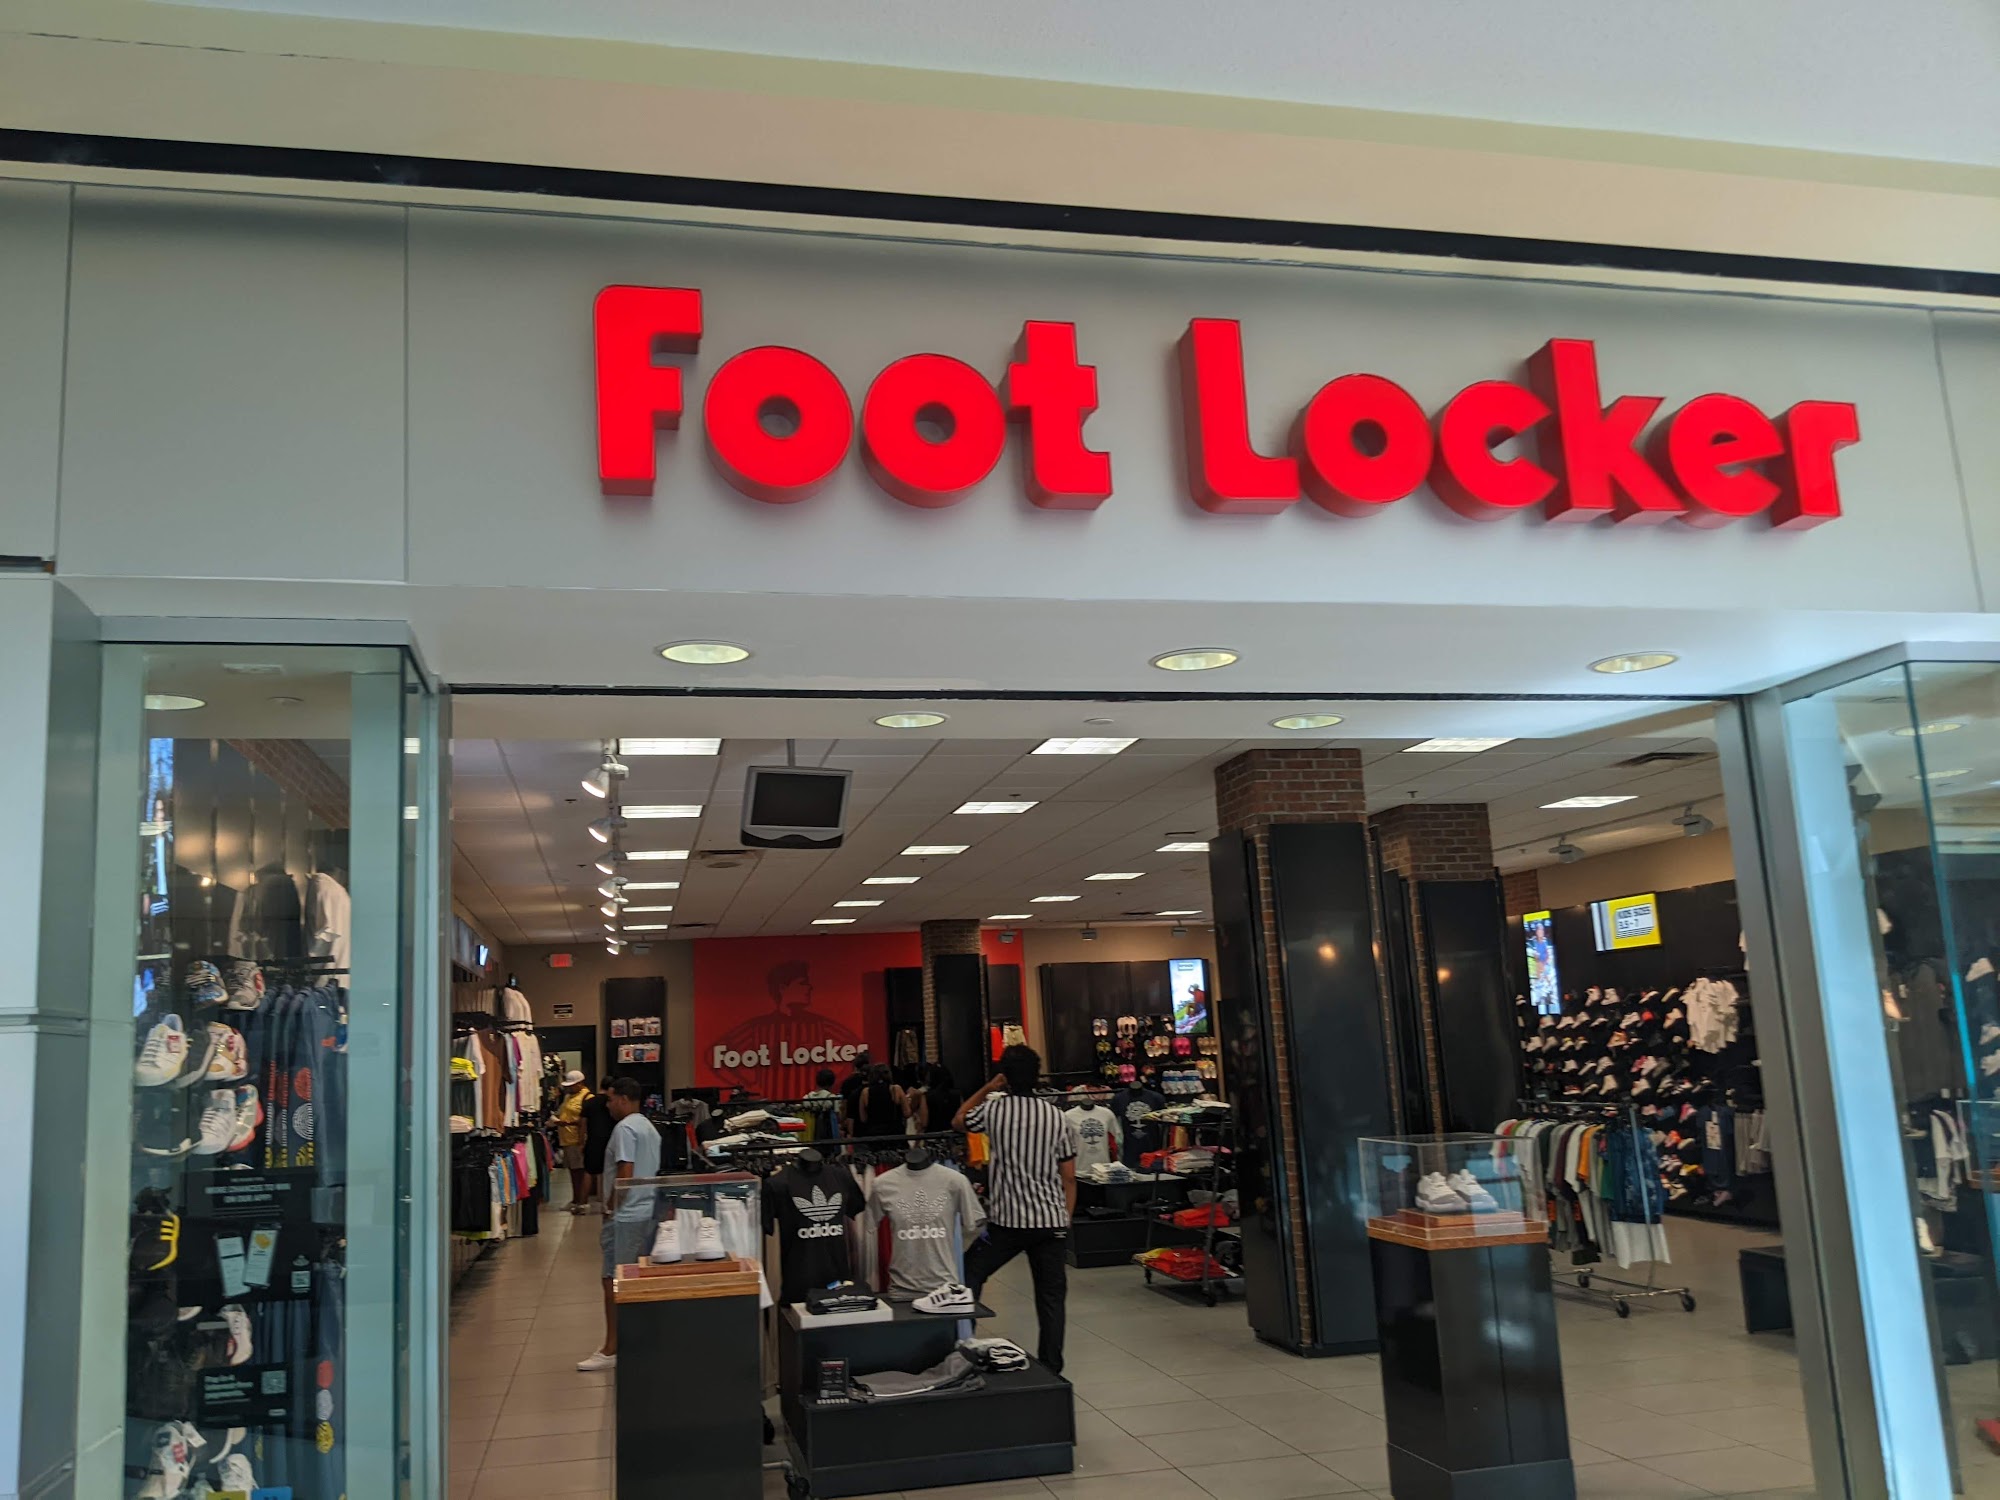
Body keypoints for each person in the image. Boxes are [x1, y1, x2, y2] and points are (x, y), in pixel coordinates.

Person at [954, 1045, 1077, 1374]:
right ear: (1037, 1076)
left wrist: (987, 1087)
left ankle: (964, 1347)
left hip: (1006, 1224)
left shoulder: (994, 1111)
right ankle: (1051, 1367)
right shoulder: (1057, 1117)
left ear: (1005, 1077)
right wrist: (1065, 1219)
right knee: (1051, 1298)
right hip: (1050, 1222)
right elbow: (1068, 1176)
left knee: (970, 1272)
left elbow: (959, 1120)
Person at [578, 1078, 661, 1372]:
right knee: (633, 1279)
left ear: (624, 1099)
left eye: (611, 1099)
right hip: (646, 1210)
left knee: (613, 1280)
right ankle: (636, 1342)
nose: (608, 1105)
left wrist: (611, 1206)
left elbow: (626, 1170)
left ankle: (612, 1347)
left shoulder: (625, 1129)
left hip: (626, 1215)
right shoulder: (649, 1128)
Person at [553, 1071, 593, 1213]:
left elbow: (586, 1120)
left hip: (577, 1140)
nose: (569, 1088)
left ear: (580, 1083)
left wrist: (568, 1123)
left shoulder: (587, 1098)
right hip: (567, 1140)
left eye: (572, 1085)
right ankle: (575, 1199)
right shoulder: (568, 1097)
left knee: (580, 1172)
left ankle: (582, 1201)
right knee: (573, 1172)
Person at [579, 1075, 616, 1213]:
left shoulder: (589, 1102)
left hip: (593, 1140)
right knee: (610, 1172)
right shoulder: (613, 1102)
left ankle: (582, 1204)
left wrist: (581, 1142)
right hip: (611, 1139)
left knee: (589, 1172)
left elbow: (582, 1124)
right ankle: (608, 1204)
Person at [857, 1064, 903, 1138]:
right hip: (894, 1134)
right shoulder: (896, 1089)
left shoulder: (865, 1092)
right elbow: (907, 1113)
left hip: (874, 1135)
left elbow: (863, 1119)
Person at [839, 1049, 873, 1132]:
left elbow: (844, 1105)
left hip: (854, 1123)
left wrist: (842, 1122)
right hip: (872, 1121)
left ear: (855, 1065)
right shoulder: (873, 1081)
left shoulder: (847, 1082)